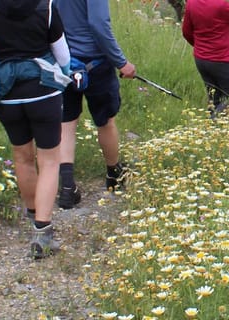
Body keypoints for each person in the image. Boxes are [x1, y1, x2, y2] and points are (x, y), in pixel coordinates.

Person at [0, 0, 71, 259]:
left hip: (7, 95)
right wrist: (67, 76)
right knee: (48, 161)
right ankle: (43, 232)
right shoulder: (46, 5)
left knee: (22, 157)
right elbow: (62, 54)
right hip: (44, 91)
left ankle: (33, 215)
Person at [56, 0, 137, 209]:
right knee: (106, 122)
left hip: (64, 61)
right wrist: (121, 62)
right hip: (96, 64)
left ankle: (67, 187)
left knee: (66, 124)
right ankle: (114, 175)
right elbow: (98, 24)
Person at [181, 0, 229, 118]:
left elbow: (186, 32)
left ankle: (214, 128)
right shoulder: (221, 5)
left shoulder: (191, 3)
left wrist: (200, 47)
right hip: (222, 60)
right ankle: (212, 126)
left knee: (215, 99)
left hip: (201, 60)